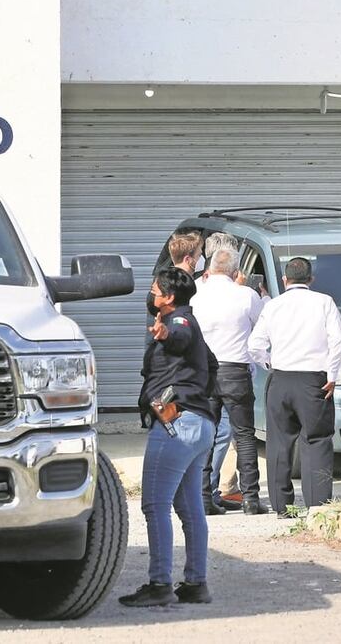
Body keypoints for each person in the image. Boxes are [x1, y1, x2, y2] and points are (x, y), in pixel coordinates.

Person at [121, 267, 218, 608]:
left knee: (155, 504)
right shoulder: (189, 324)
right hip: (199, 425)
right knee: (189, 509)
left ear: (169, 297)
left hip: (177, 425)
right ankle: (196, 583)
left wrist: (165, 336)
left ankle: (160, 584)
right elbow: (212, 365)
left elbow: (181, 336)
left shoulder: (181, 322)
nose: (151, 296)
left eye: (155, 291)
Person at [248, 257, 341, 517]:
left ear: (284, 280)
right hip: (314, 380)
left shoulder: (274, 305)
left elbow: (254, 345)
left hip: (280, 378)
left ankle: (282, 506)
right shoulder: (324, 302)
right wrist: (332, 374)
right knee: (316, 440)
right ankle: (317, 506)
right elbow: (338, 340)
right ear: (311, 279)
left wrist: (269, 363)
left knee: (279, 443)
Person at [191, 247, 267, 515]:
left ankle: (203, 497)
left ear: (210, 268)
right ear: (236, 272)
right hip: (236, 371)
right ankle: (250, 499)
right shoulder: (246, 295)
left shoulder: (196, 294)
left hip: (205, 372)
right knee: (245, 436)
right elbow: (262, 325)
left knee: (206, 437)